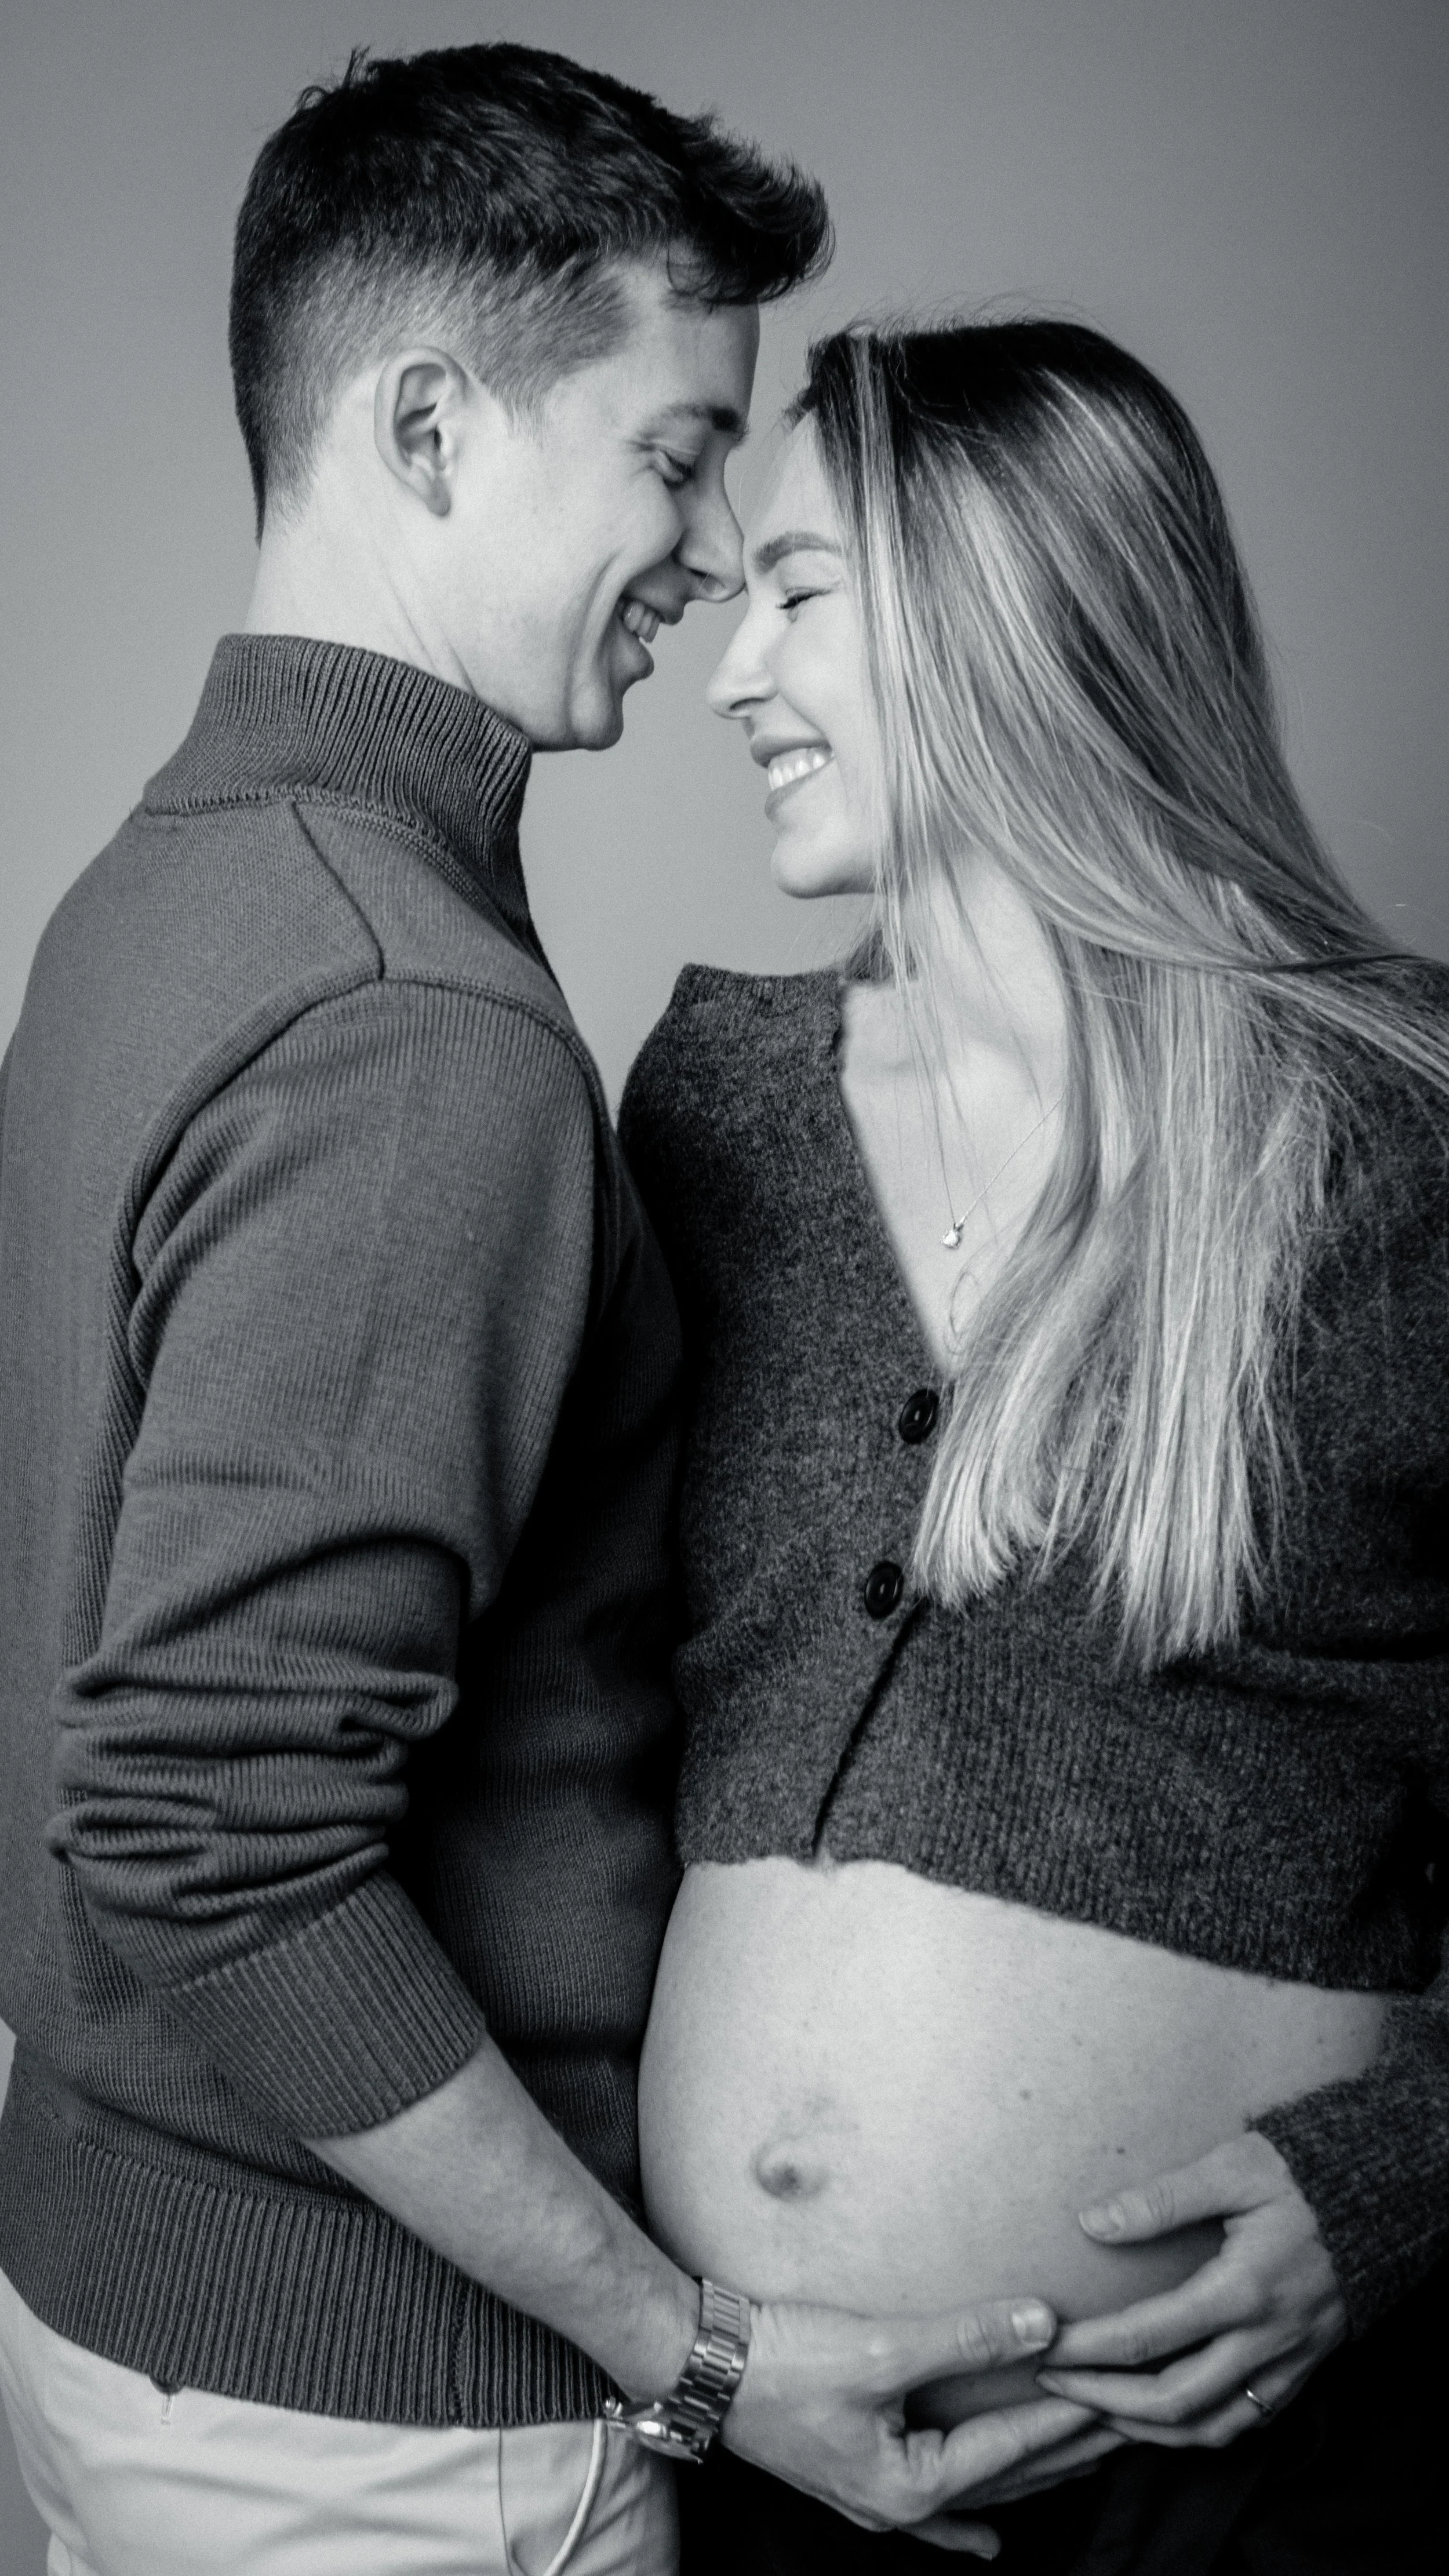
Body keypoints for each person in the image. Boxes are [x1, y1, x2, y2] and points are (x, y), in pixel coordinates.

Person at [0, 58, 1091, 2576]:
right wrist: (692, 2352)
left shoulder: (161, 896)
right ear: (424, 426)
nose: (715, 548)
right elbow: (209, 1834)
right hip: (384, 2427)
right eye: (676, 454)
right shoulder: (406, 1013)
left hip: (150, 2338)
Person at [620, 317, 1449, 2573]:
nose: (727, 675)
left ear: (1003, 599)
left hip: (1246, 2478)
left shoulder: (1398, 1137)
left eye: (797, 590)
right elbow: (559, 1739)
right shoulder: (712, 1104)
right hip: (758, 2458)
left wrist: (1401, 2180)